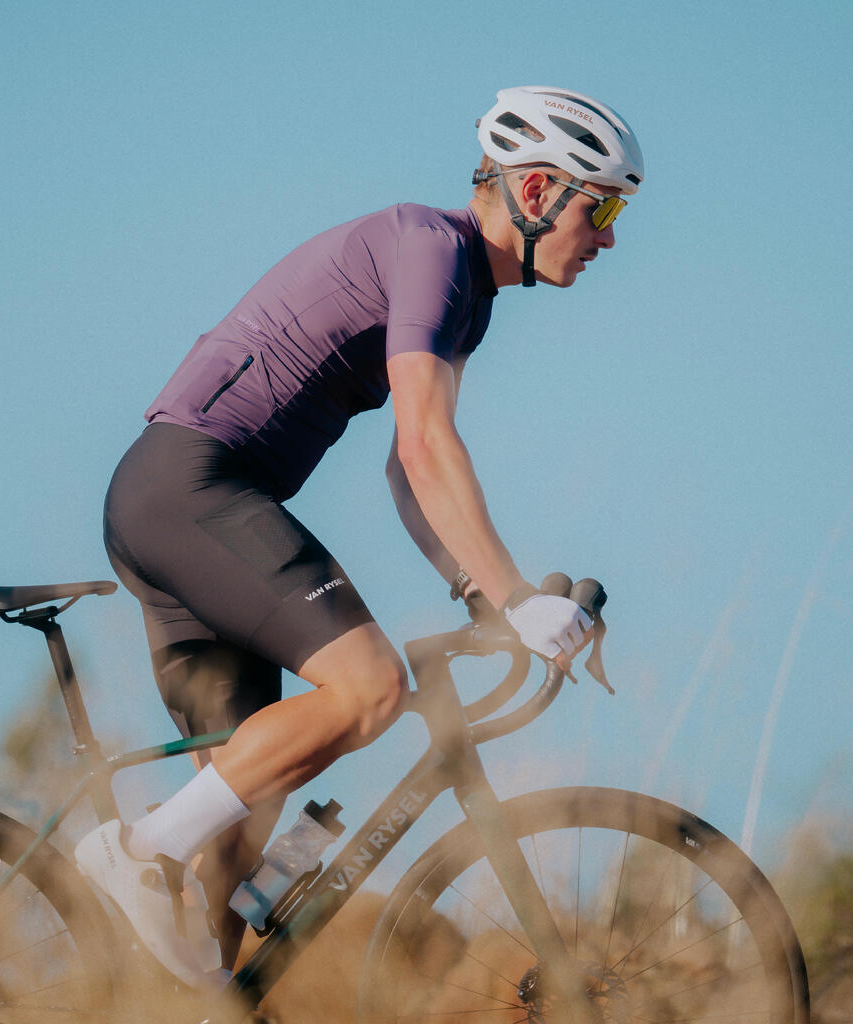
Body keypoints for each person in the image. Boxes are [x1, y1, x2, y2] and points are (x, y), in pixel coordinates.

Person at [74, 85, 644, 984]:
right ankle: (137, 850)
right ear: (536, 190)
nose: (609, 236)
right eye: (601, 208)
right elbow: (424, 443)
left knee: (240, 827)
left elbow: (403, 476)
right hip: (193, 490)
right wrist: (517, 597)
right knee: (370, 688)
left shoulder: (469, 297)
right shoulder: (433, 249)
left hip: (174, 503)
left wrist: (477, 590)